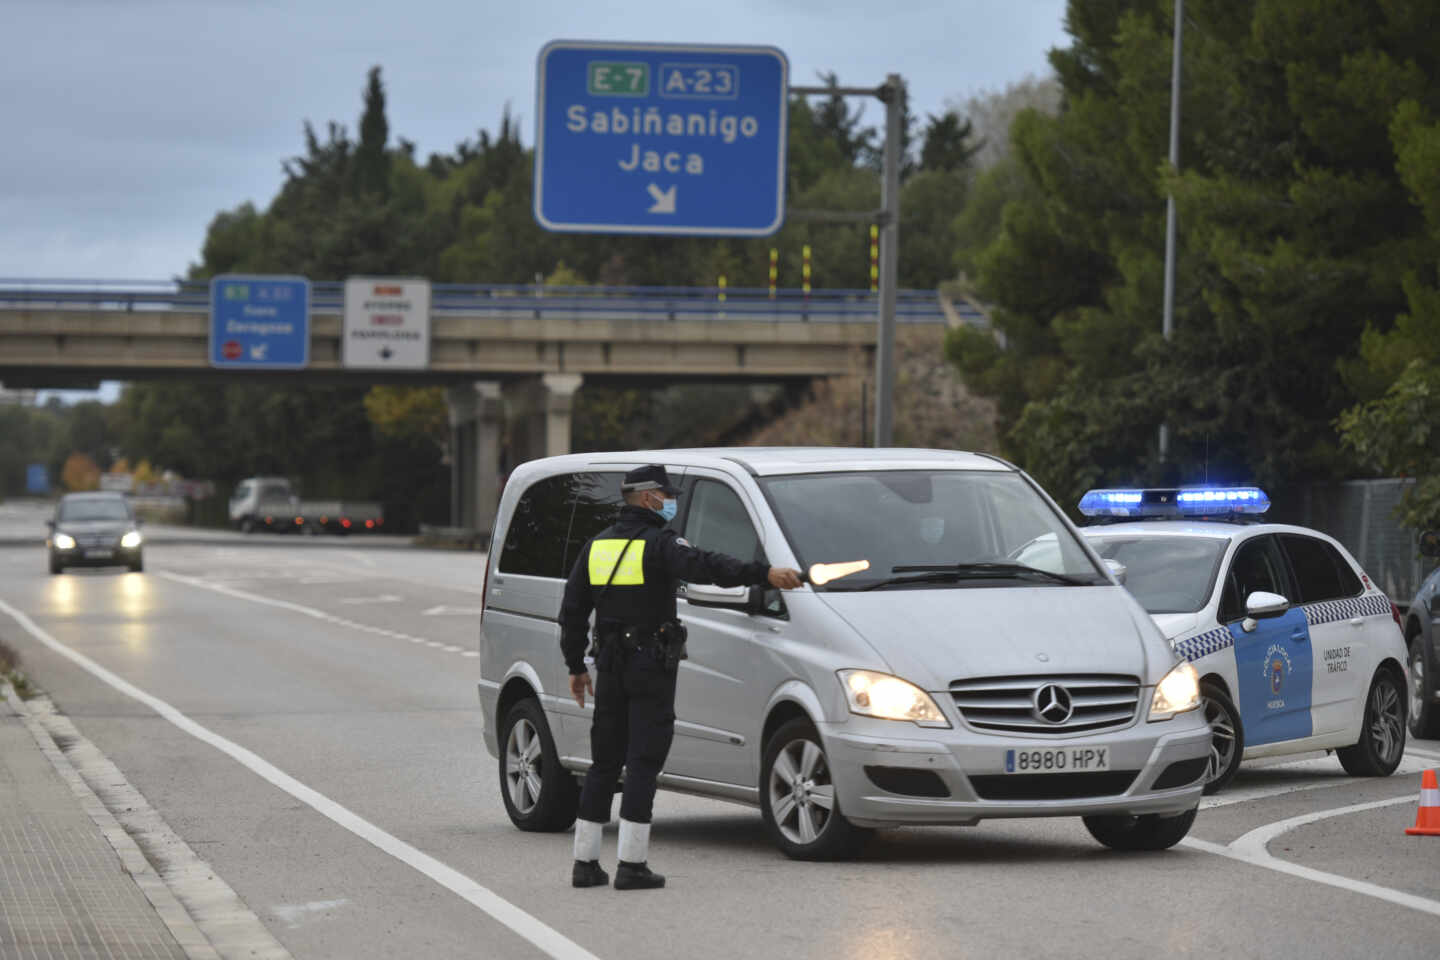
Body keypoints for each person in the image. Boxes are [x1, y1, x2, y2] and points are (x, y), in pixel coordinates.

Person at [559, 464, 804, 890]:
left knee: (604, 762)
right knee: (642, 761)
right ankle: (631, 864)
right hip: (649, 666)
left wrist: (576, 667)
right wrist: (762, 573)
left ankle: (585, 863)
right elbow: (706, 565)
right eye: (665, 495)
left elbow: (573, 611)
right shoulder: (660, 544)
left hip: (610, 665)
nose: (670, 501)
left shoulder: (596, 546)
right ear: (649, 497)